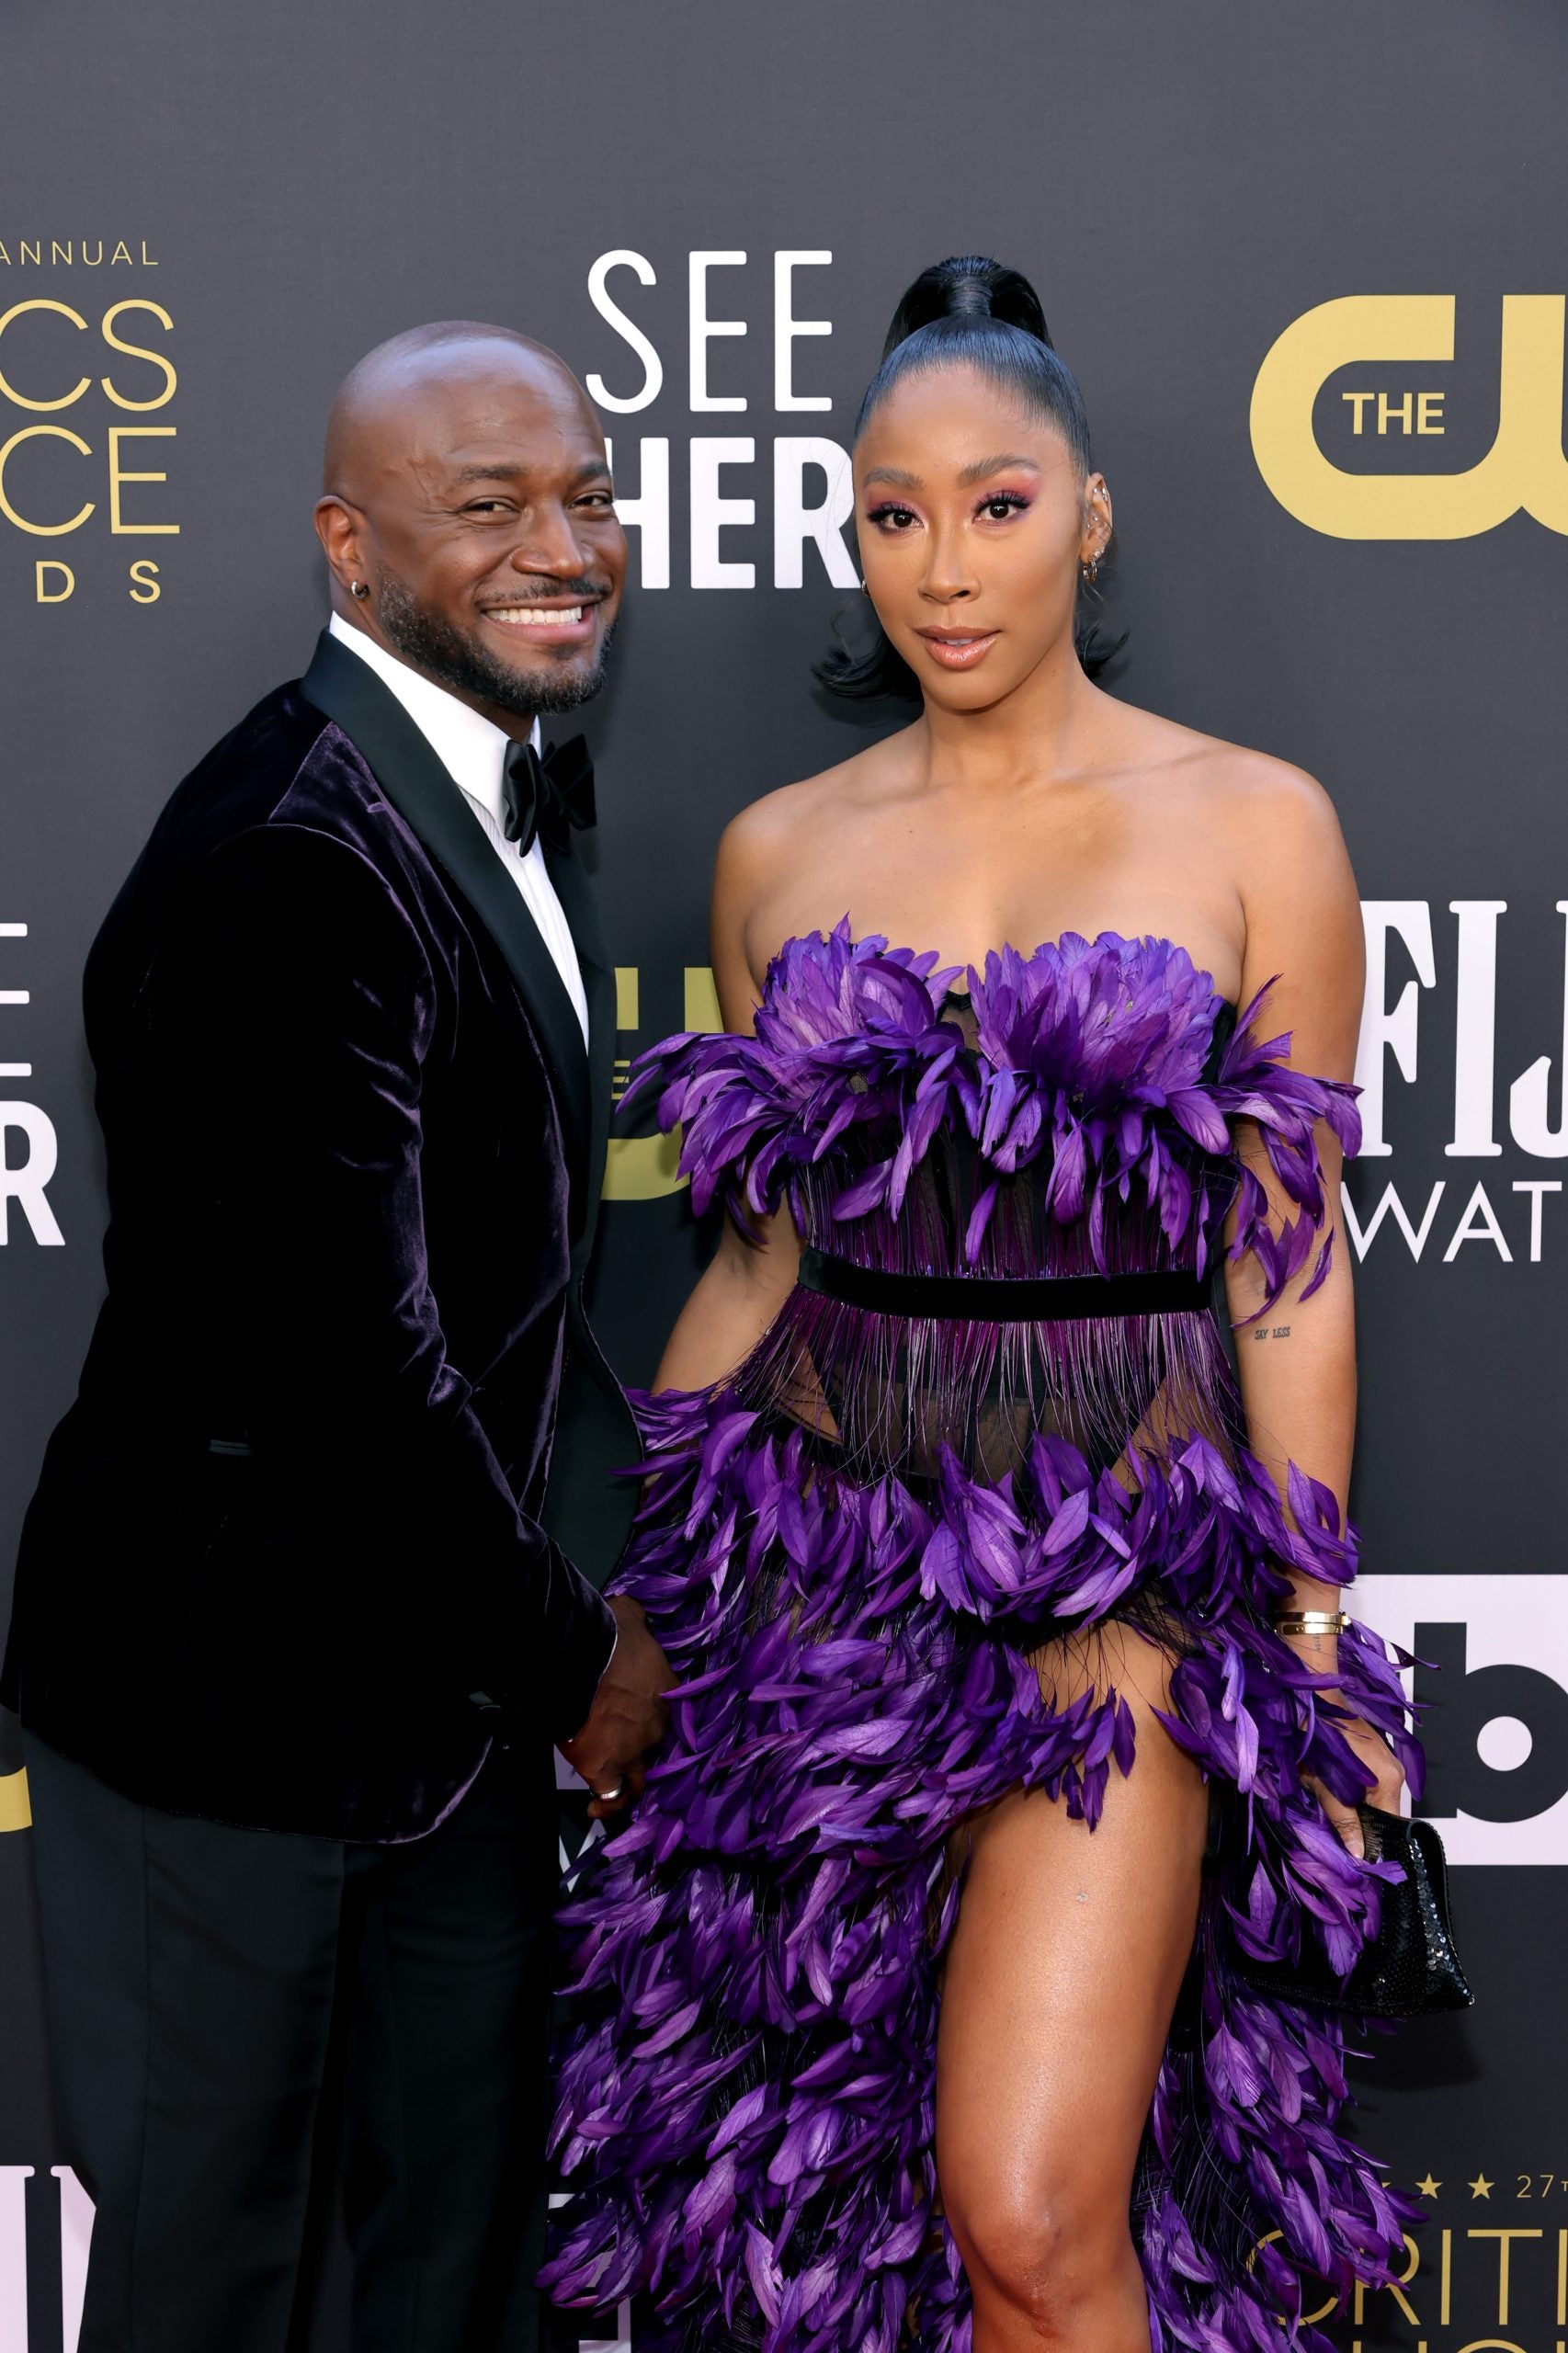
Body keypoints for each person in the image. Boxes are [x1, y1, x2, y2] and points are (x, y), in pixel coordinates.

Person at [543, 259, 1421, 2353]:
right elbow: (755, 1262)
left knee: (1029, 2211)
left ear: (1086, 518)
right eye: (893, 513)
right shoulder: (777, 851)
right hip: (820, 1588)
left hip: (1117, 1582)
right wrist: (644, 1613)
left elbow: (1286, 1266)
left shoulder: (1254, 821)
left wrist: (1312, 1649)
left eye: (997, 505)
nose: (943, 567)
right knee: (833, 2201)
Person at [1, 322, 671, 2353]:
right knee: (207, 2289)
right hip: (235, 1718)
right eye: (487, 506)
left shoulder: (477, 787)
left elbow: (512, 1288)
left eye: (587, 494)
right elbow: (345, 1373)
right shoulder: (292, 858)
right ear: (349, 547)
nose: (561, 546)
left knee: (453, 2279)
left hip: (445, 1717)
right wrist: (578, 1658)